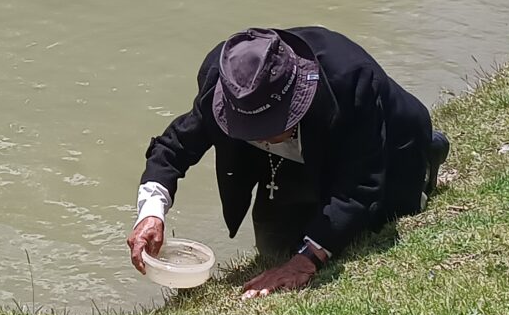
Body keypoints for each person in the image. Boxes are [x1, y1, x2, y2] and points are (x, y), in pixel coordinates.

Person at [127, 26, 447, 298]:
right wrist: (151, 214)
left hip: (386, 141)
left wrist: (308, 260)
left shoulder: (350, 79)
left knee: (376, 222)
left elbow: (360, 185)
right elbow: (172, 148)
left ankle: (427, 156)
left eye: (270, 125)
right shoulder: (228, 87)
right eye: (251, 130)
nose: (261, 136)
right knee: (276, 247)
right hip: (292, 158)